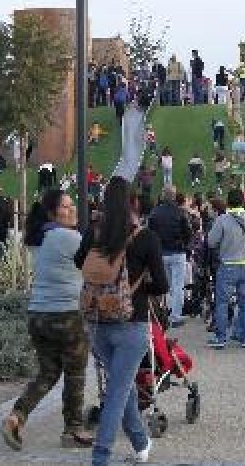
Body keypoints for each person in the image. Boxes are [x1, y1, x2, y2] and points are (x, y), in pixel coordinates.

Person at [75, 177, 168, 466]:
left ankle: (140, 443)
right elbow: (162, 285)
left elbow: (79, 262)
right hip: (131, 323)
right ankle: (100, 457)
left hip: (98, 321)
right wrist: (136, 288)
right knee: (117, 391)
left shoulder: (94, 233)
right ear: (134, 203)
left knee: (120, 385)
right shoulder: (146, 238)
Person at [2, 190, 93, 450]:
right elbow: (94, 262)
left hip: (38, 315)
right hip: (66, 314)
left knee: (48, 372)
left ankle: (16, 416)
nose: (73, 209)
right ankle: (73, 429)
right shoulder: (69, 237)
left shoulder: (40, 237)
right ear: (53, 212)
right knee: (75, 373)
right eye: (65, 207)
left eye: (73, 204)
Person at [206, 188, 245, 348]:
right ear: (243, 202)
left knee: (222, 302)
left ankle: (221, 337)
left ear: (228, 202)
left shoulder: (222, 220)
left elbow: (211, 242)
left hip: (228, 264)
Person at [148, 185, 193, 327]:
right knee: (177, 285)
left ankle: (165, 311)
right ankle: (174, 315)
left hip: (161, 252)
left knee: (165, 284)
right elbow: (188, 232)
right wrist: (185, 244)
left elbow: (151, 233)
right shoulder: (180, 213)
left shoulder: (155, 212)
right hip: (177, 251)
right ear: (173, 196)